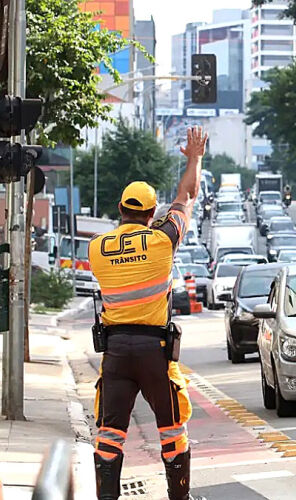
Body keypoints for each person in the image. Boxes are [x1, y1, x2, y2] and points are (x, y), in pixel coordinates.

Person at [88, 127, 209, 500]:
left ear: (120, 208)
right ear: (152, 212)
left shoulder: (97, 248)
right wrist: (194, 158)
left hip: (117, 354)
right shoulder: (162, 241)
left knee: (109, 435)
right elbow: (187, 196)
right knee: (173, 431)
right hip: (154, 352)